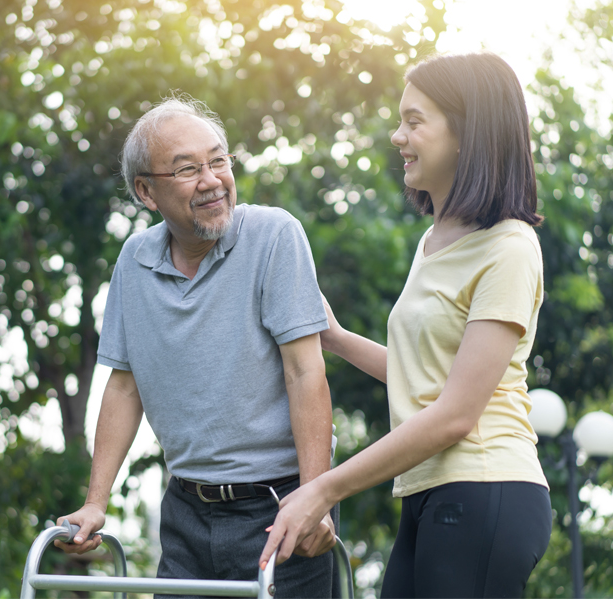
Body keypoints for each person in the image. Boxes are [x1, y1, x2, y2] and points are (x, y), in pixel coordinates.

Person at [260, 52, 552, 598]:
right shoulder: (435, 240)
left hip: (486, 485)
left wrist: (323, 488)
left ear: (468, 133)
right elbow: (426, 376)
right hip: (431, 490)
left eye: (414, 122)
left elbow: (455, 415)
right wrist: (338, 339)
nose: (397, 136)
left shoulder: (510, 247)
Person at [55, 94, 336, 598]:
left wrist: (314, 498)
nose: (211, 180)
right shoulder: (133, 261)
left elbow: (305, 373)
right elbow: (124, 386)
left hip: (278, 506)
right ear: (146, 191)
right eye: (187, 169)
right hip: (184, 511)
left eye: (218, 161)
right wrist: (96, 501)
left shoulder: (274, 236)